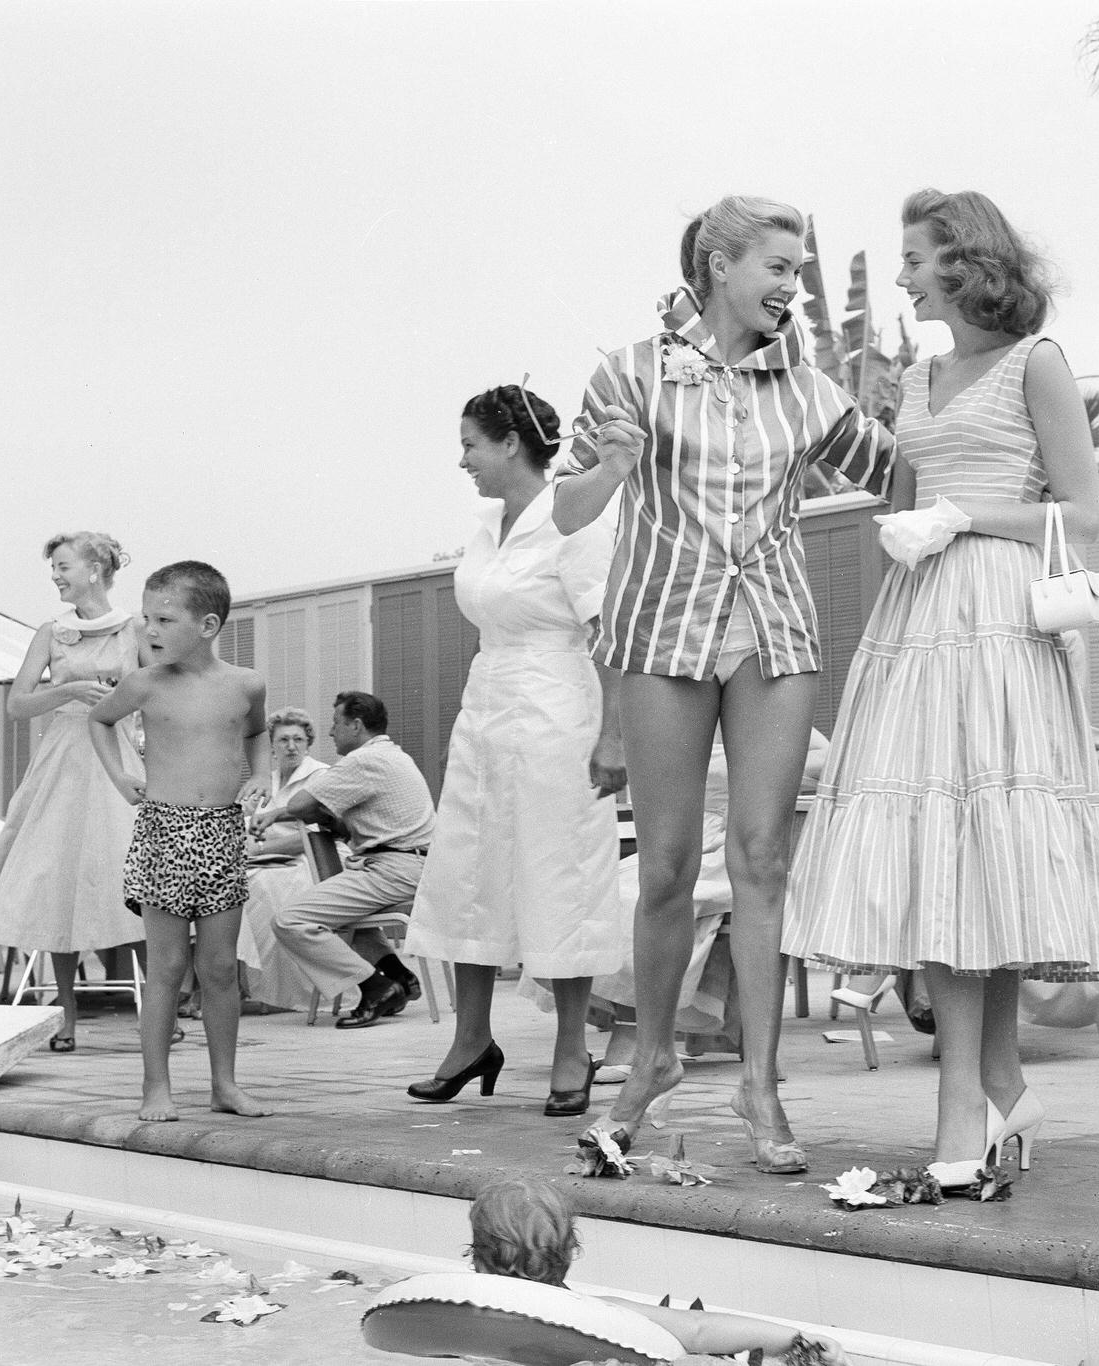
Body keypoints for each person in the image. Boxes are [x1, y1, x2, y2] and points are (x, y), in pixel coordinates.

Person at [782, 188, 1099, 1193]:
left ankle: (968, 1104)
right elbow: (895, 489)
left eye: (914, 256)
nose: (898, 273)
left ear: (963, 261)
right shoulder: (916, 375)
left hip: (999, 616)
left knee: (988, 842)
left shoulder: (1038, 363)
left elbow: (1083, 510)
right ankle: (990, 1089)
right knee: (938, 847)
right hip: (916, 616)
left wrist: (960, 518)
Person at [551, 194, 896, 1175]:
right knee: (661, 870)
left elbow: (903, 475)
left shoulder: (812, 391)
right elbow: (569, 510)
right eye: (779, 267)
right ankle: (650, 1059)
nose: (794, 286)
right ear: (718, 264)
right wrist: (612, 464)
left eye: (800, 269)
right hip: (662, 631)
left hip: (774, 632)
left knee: (760, 860)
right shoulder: (629, 371)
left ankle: (760, 1083)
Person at [405, 385, 625, 1115]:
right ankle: (472, 1039)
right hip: (487, 707)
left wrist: (614, 736)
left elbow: (609, 633)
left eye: (470, 443)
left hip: (559, 708)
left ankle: (571, 1050)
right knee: (471, 869)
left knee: (556, 874)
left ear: (508, 443)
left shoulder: (577, 518)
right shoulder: (484, 524)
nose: (462, 458)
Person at [89, 560, 272, 1122]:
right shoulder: (143, 684)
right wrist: (122, 776)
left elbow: (257, 731)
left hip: (220, 832)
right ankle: (155, 1089)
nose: (150, 630)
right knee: (167, 966)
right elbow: (98, 721)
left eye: (164, 619)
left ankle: (225, 1084)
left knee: (219, 968)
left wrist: (262, 774)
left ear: (208, 625)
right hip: (164, 832)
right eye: (147, 618)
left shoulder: (245, 685)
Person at [0, 532, 148, 1053]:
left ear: (95, 569)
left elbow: (153, 695)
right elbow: (18, 705)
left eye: (64, 566)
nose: (57, 577)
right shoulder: (50, 631)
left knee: (129, 880)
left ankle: (158, 1009)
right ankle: (65, 1011)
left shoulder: (134, 630)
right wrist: (67, 690)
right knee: (58, 884)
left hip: (115, 760)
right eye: (54, 569)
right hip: (60, 762)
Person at [583, 727, 829, 1072]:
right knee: (605, 891)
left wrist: (753, 767)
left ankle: (634, 1037)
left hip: (733, 843)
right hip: (677, 836)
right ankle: (637, 1029)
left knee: (635, 897)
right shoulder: (673, 711)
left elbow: (827, 762)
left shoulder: (755, 713)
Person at [467, 1176, 849, 1364]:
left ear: (476, 1260)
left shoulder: (455, 1324)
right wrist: (798, 1339)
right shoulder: (601, 1314)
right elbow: (699, 1330)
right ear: (572, 1251)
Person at [251, 690, 436, 1028]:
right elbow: (334, 818)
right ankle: (399, 977)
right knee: (346, 919)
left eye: (336, 723)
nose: (332, 731)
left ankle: (376, 987)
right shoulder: (393, 755)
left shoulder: (362, 760)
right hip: (411, 864)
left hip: (394, 868)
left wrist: (275, 814)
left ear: (356, 725)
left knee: (290, 921)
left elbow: (303, 805)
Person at [236, 707, 332, 1012]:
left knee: (263, 889)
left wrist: (262, 850)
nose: (291, 746)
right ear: (272, 747)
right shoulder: (268, 780)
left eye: (298, 740)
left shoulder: (319, 776)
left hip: (311, 859)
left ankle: (281, 991)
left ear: (308, 743)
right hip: (269, 858)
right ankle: (243, 985)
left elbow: (315, 836)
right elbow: (240, 815)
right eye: (283, 740)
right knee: (236, 887)